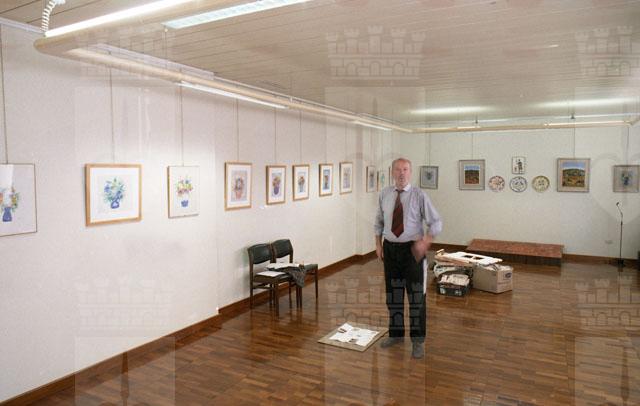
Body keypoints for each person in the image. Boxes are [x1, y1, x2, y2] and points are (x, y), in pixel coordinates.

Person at [374, 158, 442, 359]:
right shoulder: (385, 194)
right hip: (390, 250)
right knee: (393, 295)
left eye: (405, 169)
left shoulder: (419, 195)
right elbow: (378, 222)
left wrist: (426, 242)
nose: (401, 173)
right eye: (398, 169)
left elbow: (436, 222)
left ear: (410, 172)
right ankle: (396, 334)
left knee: (416, 297)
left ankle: (418, 341)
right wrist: (378, 245)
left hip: (413, 251)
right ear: (392, 172)